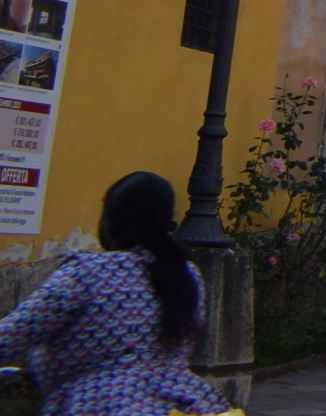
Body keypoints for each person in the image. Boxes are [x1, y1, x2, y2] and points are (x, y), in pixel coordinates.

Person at [0, 172, 230, 414]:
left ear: (109, 222)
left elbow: (12, 336)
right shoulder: (187, 275)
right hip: (188, 404)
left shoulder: (86, 275)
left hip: (100, 405)